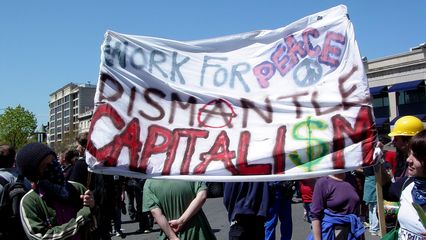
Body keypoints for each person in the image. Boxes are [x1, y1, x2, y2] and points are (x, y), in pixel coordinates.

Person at [16, 142, 96, 239]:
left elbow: (94, 227)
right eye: (46, 165)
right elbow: (41, 237)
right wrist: (81, 218)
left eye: (53, 160)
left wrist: (93, 207)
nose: (54, 166)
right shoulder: (30, 202)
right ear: (35, 174)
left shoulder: (78, 189)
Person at [384, 129, 426, 239]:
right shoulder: (408, 183)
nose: (408, 160)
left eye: (416, 156)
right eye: (409, 154)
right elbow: (386, 191)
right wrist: (377, 162)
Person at [143, 179, 216, 240]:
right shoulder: (189, 172)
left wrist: (173, 237)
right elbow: (202, 196)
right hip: (198, 232)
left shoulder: (149, 182)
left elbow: (155, 212)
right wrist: (181, 221)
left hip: (170, 233)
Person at [308, 172, 365, 240]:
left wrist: (361, 234)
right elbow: (315, 216)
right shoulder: (323, 182)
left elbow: (356, 211)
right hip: (332, 232)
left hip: (352, 232)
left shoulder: (352, 179)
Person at [361, 165, 379, 235]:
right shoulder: (372, 162)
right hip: (372, 181)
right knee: (374, 206)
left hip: (368, 180)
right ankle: (374, 228)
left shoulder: (366, 162)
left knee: (371, 206)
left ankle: (372, 227)